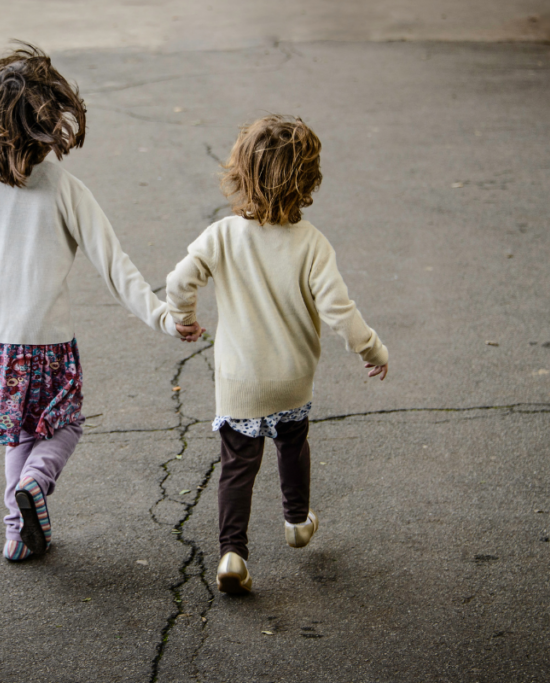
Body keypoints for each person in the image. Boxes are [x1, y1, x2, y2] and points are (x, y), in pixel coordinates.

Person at [0, 43, 197, 562]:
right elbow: (115, 266)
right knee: (64, 423)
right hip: (41, 347)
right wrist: (164, 318)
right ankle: (36, 480)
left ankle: (18, 534)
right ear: (51, 121)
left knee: (19, 428)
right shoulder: (65, 188)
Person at [166, 115, 388, 594]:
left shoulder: (221, 236)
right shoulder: (312, 244)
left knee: (237, 465)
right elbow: (339, 311)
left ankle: (232, 555)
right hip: (292, 379)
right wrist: (372, 349)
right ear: (308, 181)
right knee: (292, 444)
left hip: (238, 380)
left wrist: (184, 317)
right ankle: (296, 522)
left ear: (241, 174)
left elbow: (178, 281)